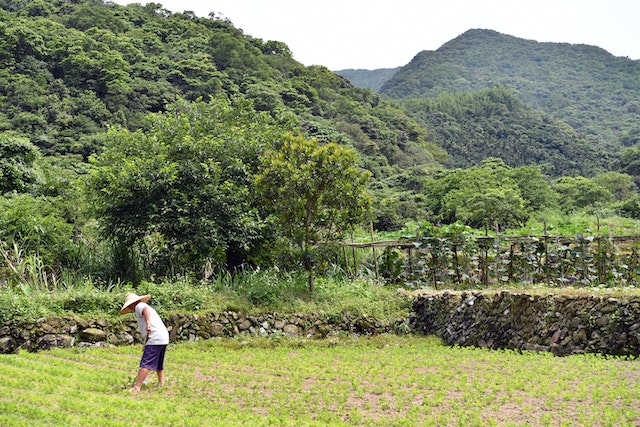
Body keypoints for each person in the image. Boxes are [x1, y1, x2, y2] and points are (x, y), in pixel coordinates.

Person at [119, 292, 170, 392]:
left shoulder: (140, 306)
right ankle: (161, 383)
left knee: (145, 364)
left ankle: (137, 387)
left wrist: (148, 324)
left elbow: (145, 311)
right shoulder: (143, 306)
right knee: (159, 363)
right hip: (162, 337)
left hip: (155, 337)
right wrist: (146, 343)